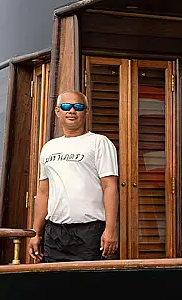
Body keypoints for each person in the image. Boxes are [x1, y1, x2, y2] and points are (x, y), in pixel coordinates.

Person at [28, 90, 119, 262]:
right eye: (65, 106)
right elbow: (43, 192)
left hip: (89, 232)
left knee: (87, 279)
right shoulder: (49, 147)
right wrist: (36, 233)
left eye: (78, 106)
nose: (72, 111)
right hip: (54, 233)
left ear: (86, 111)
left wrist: (111, 229)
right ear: (57, 111)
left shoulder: (99, 143)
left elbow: (110, 187)